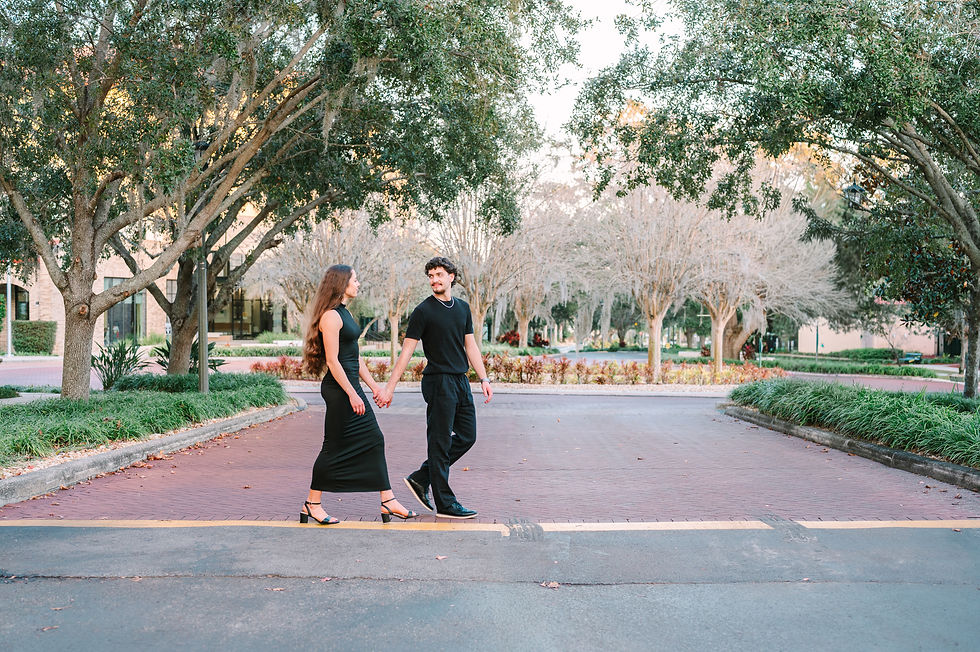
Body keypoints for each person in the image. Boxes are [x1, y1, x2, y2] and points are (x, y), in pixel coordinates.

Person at [299, 264, 418, 525]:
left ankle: (387, 500)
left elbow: (355, 356)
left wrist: (374, 387)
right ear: (341, 283)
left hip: (350, 388)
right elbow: (333, 361)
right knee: (333, 446)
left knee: (374, 439)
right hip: (339, 390)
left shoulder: (345, 313)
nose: (358, 283)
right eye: (355, 279)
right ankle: (312, 504)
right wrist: (353, 394)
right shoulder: (331, 317)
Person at [376, 257, 492, 519]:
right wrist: (390, 388)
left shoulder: (462, 308)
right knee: (439, 443)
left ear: (451, 277)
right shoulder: (423, 311)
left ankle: (421, 477)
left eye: (439, 274)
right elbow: (406, 352)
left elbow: (470, 345)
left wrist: (483, 378)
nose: (434, 280)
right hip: (438, 382)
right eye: (430, 276)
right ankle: (446, 503)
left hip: (461, 380)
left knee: (468, 436)